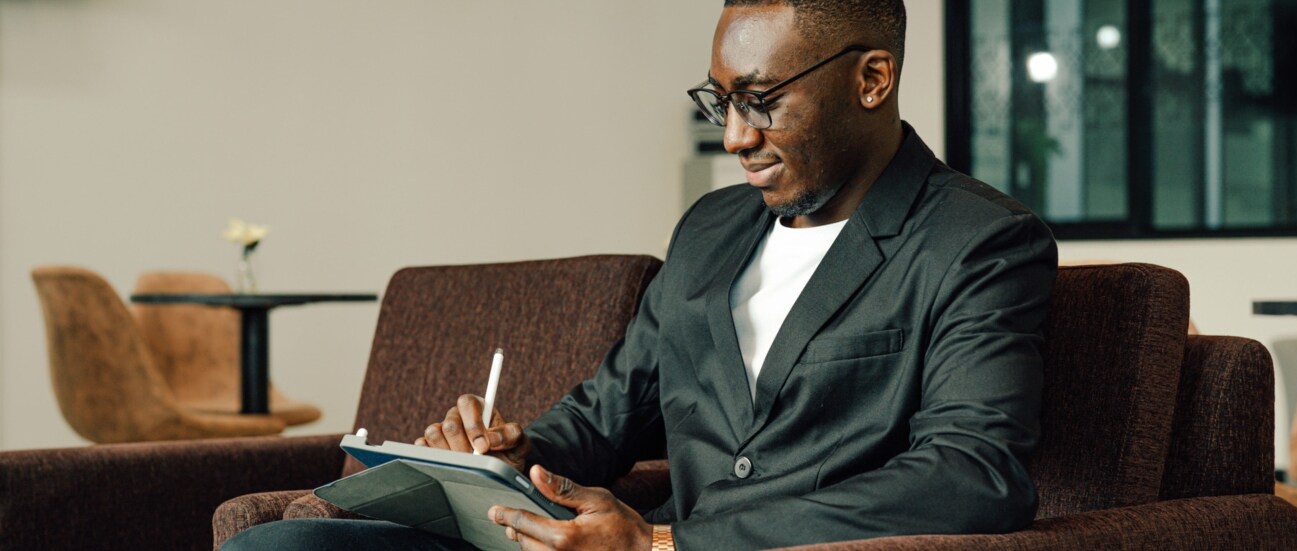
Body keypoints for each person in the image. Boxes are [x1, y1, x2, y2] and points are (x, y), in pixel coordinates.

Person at [224, 0, 1056, 549]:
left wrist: (662, 542)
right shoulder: (711, 230)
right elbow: (605, 419)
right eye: (718, 101)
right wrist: (514, 451)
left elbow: (971, 477)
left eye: (761, 100)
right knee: (285, 542)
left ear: (872, 79)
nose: (732, 137)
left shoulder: (978, 242)